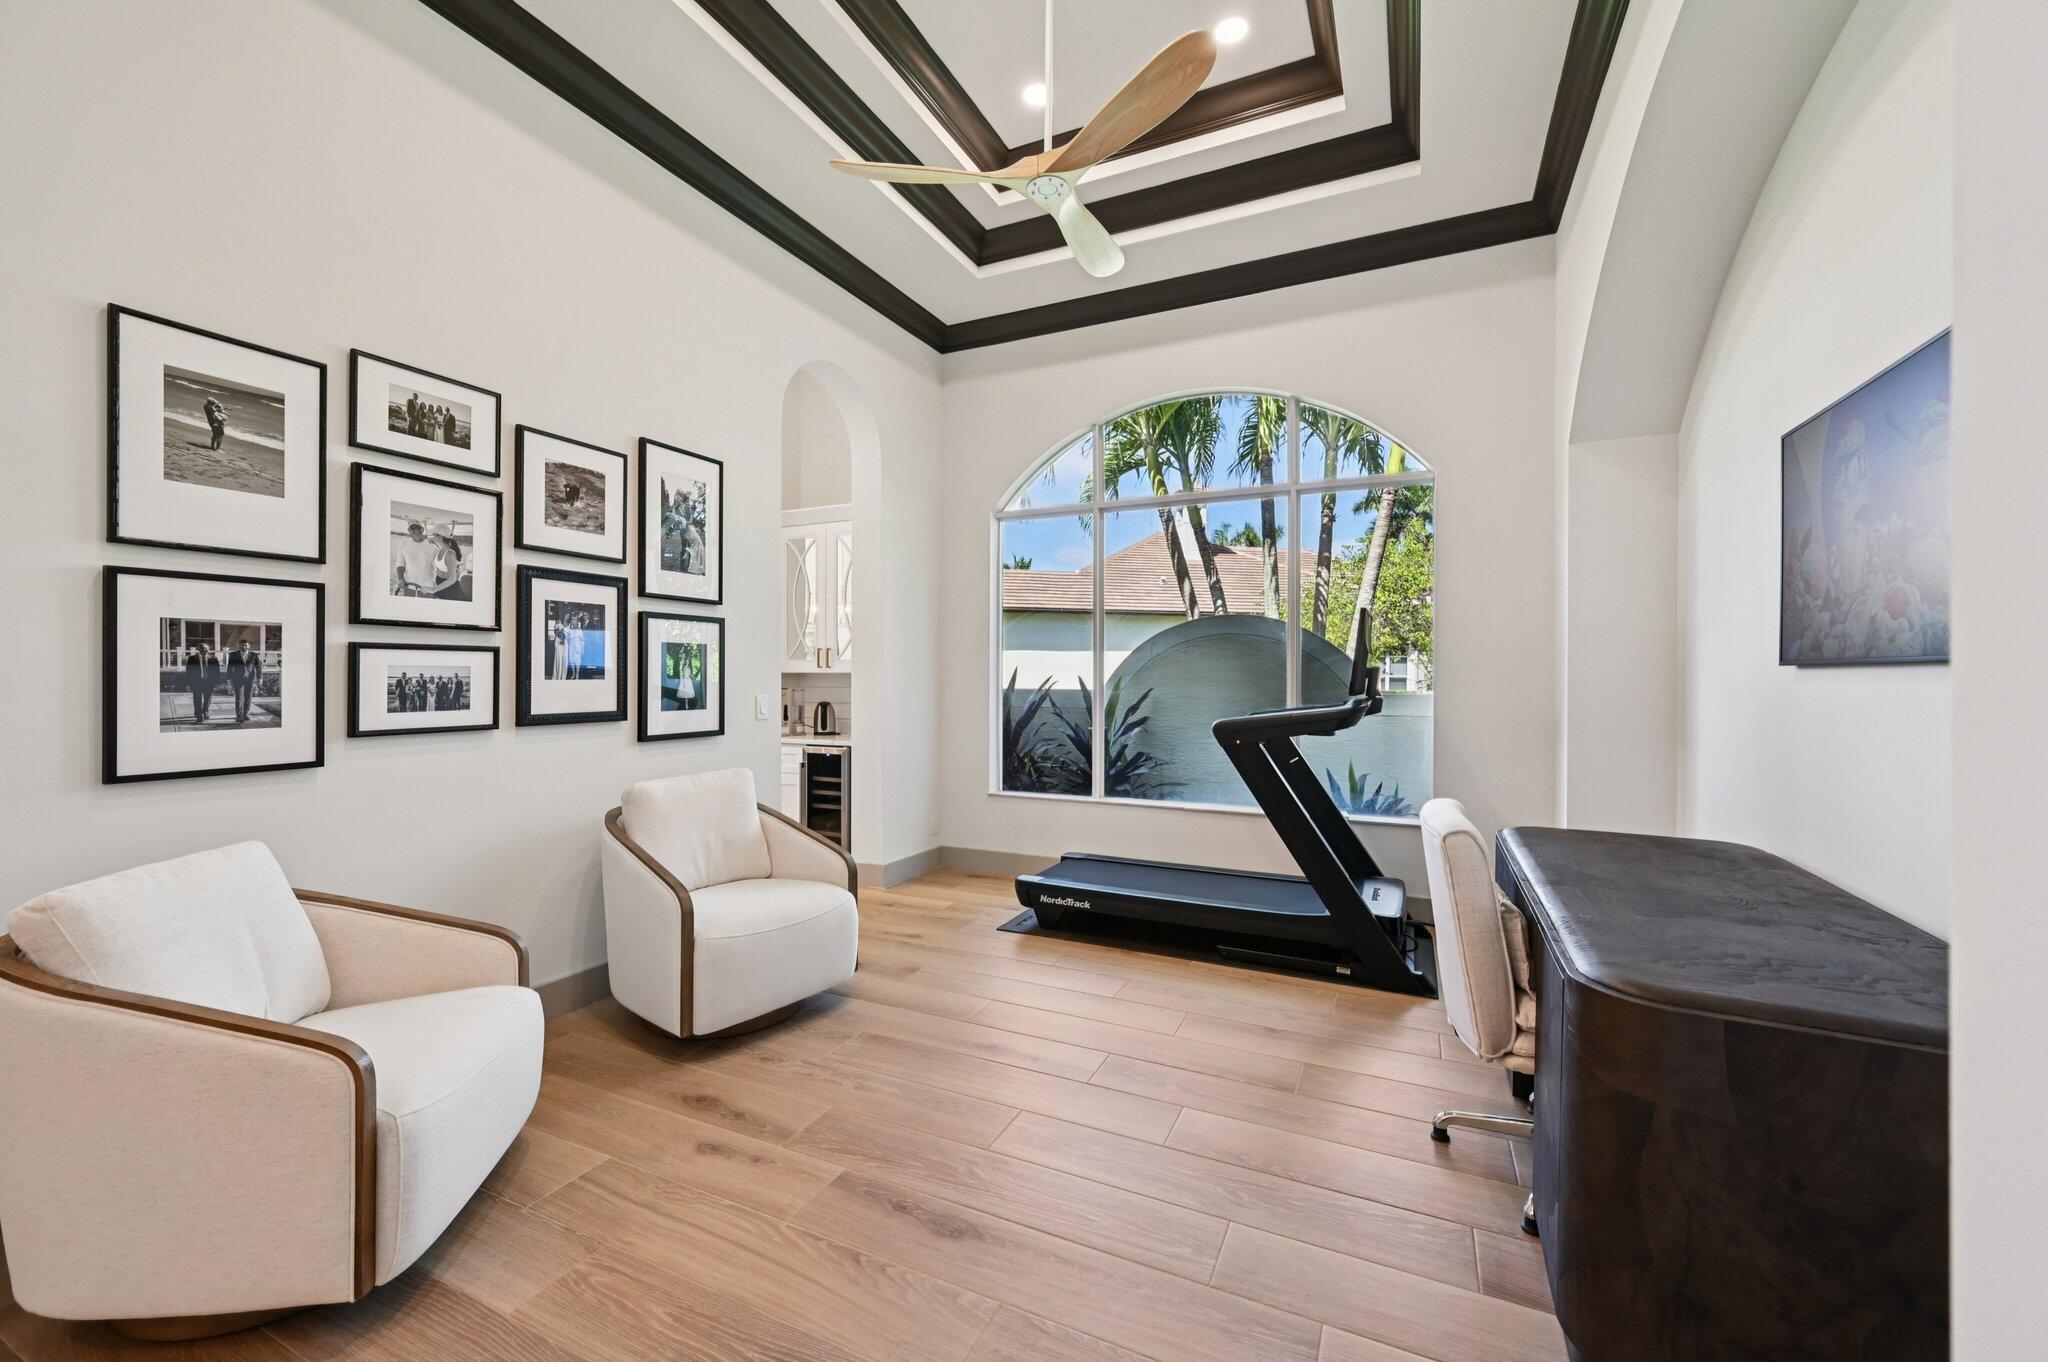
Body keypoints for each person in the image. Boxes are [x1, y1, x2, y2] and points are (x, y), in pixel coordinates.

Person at [393, 519, 440, 596]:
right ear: (409, 530)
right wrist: (401, 579)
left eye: (419, 528)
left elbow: (440, 564)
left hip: (427, 587)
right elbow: (400, 563)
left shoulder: (432, 546)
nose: (417, 530)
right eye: (413, 528)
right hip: (408, 585)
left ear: (423, 529)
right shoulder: (404, 544)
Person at [226, 640, 263, 724]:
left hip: (250, 680)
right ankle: (239, 716)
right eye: (241, 645)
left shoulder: (254, 655)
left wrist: (259, 678)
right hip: (238, 680)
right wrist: (228, 679)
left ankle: (245, 714)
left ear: (249, 646)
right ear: (239, 646)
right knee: (239, 698)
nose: (243, 647)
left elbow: (259, 667)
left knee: (248, 697)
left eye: (245, 645)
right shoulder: (233, 655)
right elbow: (229, 668)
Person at [183, 647, 208, 725]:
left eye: (206, 650)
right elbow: (188, 672)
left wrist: (217, 683)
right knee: (197, 700)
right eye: (203, 650)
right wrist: (187, 684)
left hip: (208, 683)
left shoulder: (212, 658)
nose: (205, 652)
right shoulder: (192, 659)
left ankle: (205, 711)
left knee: (207, 699)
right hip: (197, 683)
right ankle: (199, 717)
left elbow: (216, 671)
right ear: (199, 650)